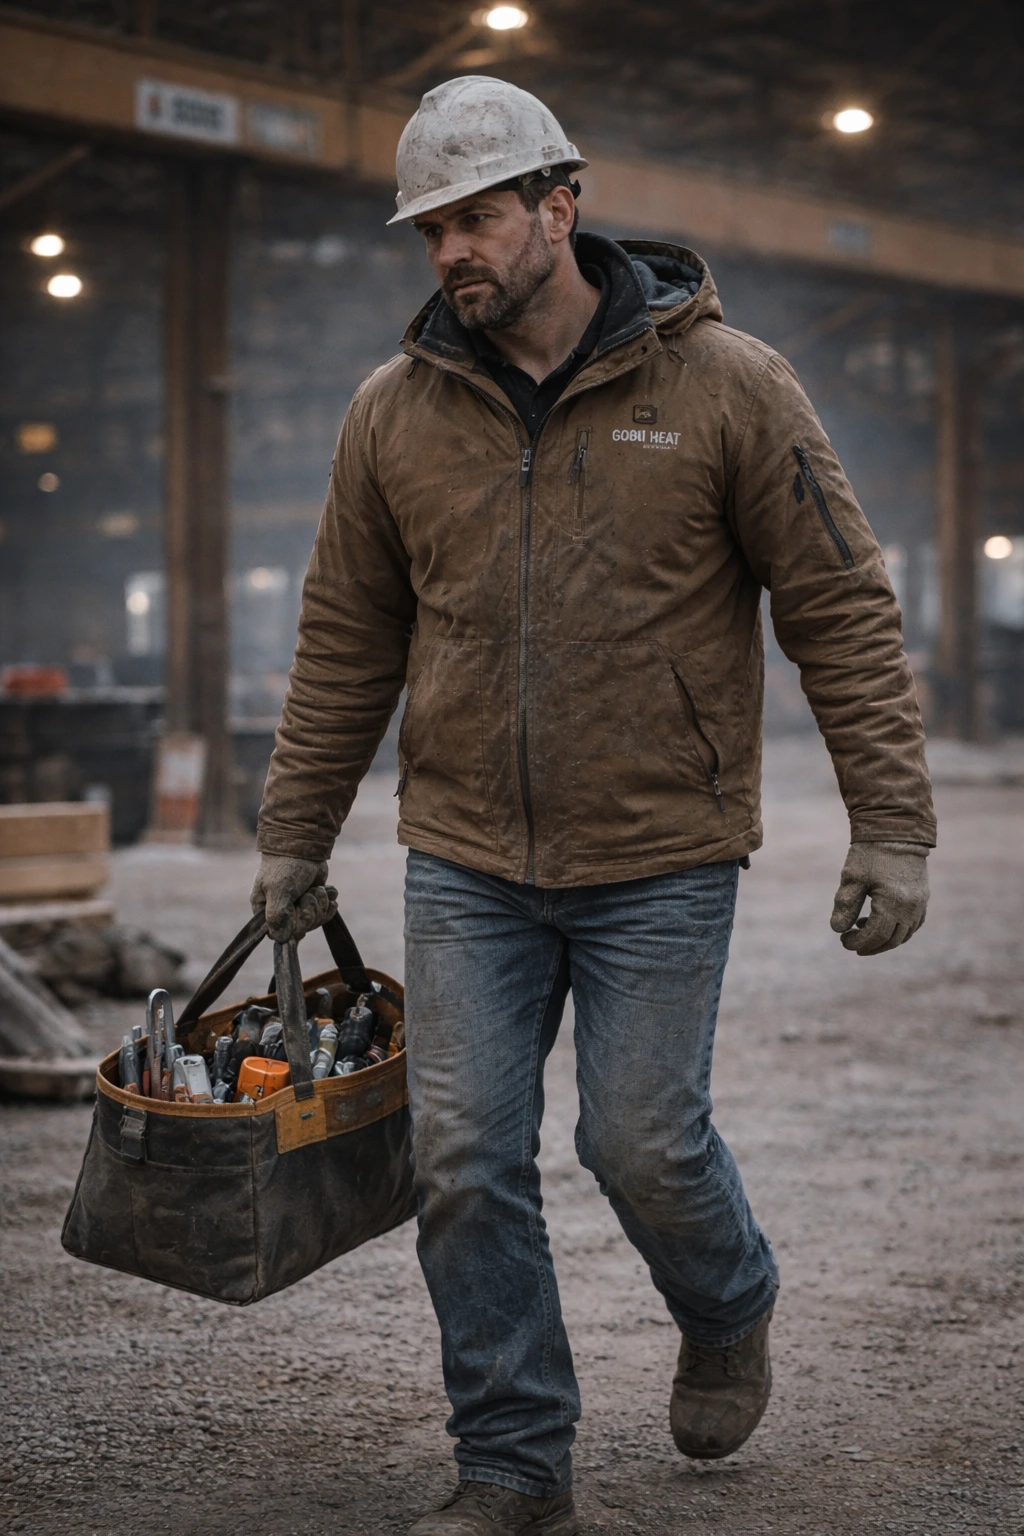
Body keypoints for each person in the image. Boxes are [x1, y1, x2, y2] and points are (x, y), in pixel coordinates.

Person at [251, 77, 936, 1536]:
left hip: (660, 850)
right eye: (429, 229)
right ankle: (512, 1462)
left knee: (640, 1143)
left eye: (477, 218)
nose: (451, 251)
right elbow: (345, 641)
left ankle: (728, 1302)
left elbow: (839, 604)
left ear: (559, 206)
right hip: (466, 858)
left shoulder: (728, 387)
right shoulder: (392, 416)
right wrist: (293, 837)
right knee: (460, 1159)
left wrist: (893, 823)